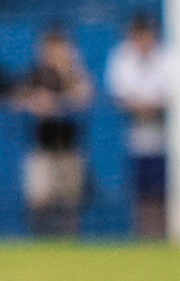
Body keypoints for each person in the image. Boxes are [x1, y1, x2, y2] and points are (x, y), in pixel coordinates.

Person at [18, 22, 94, 239]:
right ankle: (40, 241)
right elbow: (21, 98)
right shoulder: (36, 74)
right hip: (42, 147)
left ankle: (69, 242)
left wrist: (59, 101)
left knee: (70, 201)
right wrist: (35, 102)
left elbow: (84, 97)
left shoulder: (74, 73)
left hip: (69, 146)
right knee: (39, 198)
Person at [104, 12, 170, 240]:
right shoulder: (122, 56)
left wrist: (148, 104)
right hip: (136, 137)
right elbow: (120, 95)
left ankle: (165, 236)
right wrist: (146, 105)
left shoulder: (168, 57)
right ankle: (145, 237)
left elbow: (172, 94)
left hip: (167, 138)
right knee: (142, 193)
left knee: (165, 192)